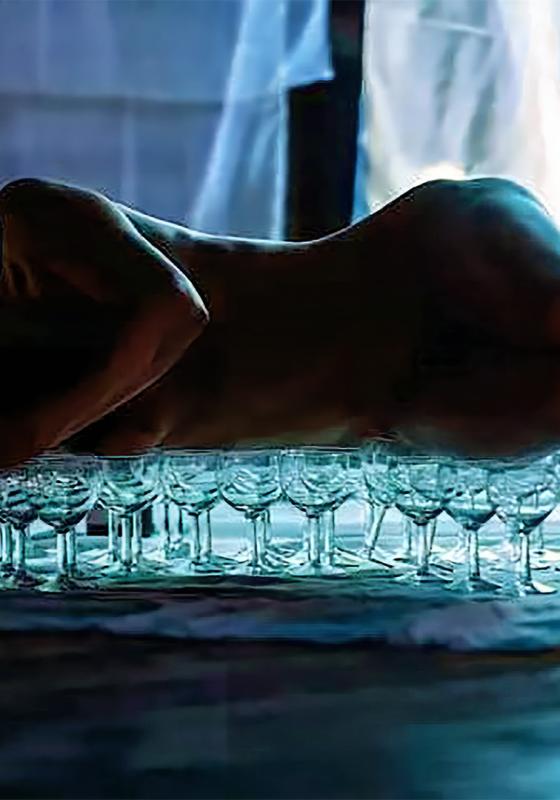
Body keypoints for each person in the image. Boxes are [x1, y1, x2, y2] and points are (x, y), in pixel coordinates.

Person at [1, 174, 560, 468]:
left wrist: (29, 437)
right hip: (403, 404)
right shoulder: (34, 391)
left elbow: (174, 311)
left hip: (419, 261)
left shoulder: (28, 217)